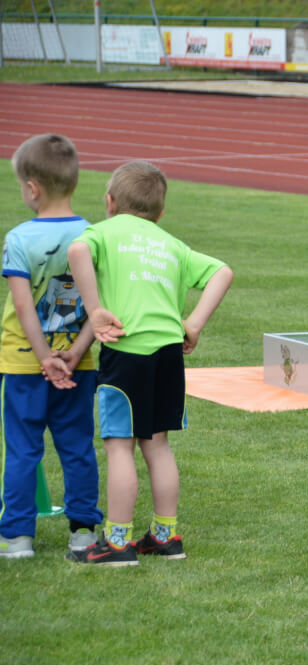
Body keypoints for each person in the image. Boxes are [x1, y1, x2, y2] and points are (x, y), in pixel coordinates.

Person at [66, 161, 233, 566]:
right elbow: (222, 272)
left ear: (109, 202)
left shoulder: (103, 232)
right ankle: (165, 535)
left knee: (119, 445)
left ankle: (117, 543)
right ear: (160, 213)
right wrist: (192, 323)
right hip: (168, 353)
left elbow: (77, 249)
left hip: (128, 351)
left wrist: (96, 308)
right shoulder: (171, 243)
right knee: (157, 444)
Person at [0, 133, 103, 559]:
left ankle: (18, 538)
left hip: (25, 364)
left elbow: (23, 306)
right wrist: (76, 353)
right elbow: (101, 307)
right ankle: (83, 531)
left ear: (32, 188)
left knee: (23, 449)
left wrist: (44, 358)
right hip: (79, 363)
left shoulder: (19, 239)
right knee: (78, 446)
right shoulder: (94, 235)